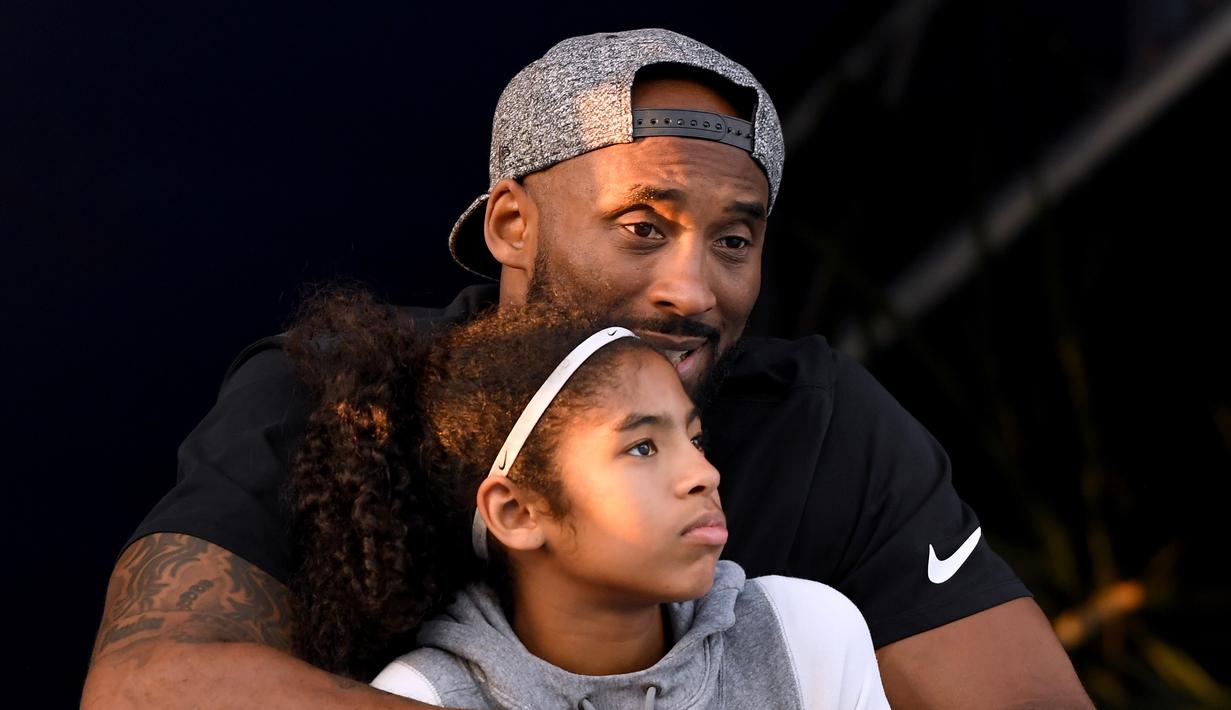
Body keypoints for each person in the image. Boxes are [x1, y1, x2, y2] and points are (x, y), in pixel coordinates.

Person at [83, 28, 1092, 709]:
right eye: (641, 227)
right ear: (511, 224)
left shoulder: (822, 431)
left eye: (734, 240)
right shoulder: (343, 392)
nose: (693, 289)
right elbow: (147, 680)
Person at [283, 292, 889, 708]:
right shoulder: (420, 698)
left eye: (695, 438)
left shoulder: (802, 634)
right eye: (644, 448)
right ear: (516, 513)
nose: (702, 473)